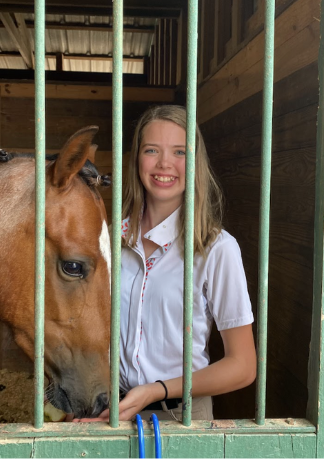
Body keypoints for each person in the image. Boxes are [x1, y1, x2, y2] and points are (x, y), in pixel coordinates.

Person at [77, 105, 257, 423]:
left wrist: (156, 390)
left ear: (196, 164)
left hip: (182, 416)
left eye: (179, 151)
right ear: (137, 159)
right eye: (152, 150)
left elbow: (243, 366)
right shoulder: (106, 239)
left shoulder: (217, 249)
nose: (165, 164)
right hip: (109, 411)